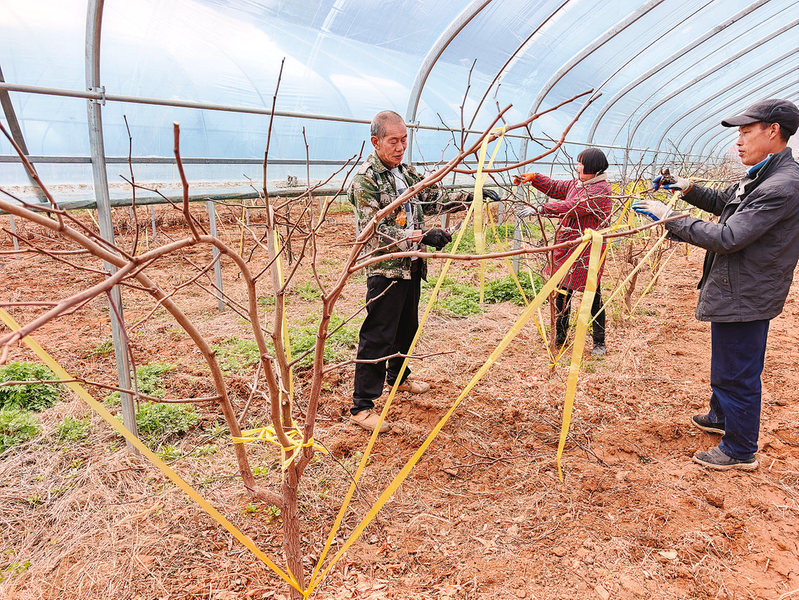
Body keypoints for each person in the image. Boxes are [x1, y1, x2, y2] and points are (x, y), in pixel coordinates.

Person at [633, 98, 799, 471]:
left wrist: (669, 217)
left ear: (773, 131)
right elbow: (726, 201)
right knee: (729, 363)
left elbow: (728, 237)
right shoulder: (763, 173)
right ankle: (722, 417)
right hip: (743, 285)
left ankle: (740, 449)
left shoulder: (783, 185)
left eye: (746, 132)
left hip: (748, 292)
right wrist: (687, 187)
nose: (738, 142)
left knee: (736, 371)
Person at [348, 110, 500, 433]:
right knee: (378, 334)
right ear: (375, 142)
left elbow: (433, 197)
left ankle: (398, 377)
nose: (400, 147)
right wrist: (421, 236)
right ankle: (362, 405)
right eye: (393, 141)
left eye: (404, 140)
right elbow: (375, 230)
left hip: (412, 265)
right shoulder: (365, 180)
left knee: (407, 327)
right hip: (387, 269)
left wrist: (472, 195)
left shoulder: (405, 173)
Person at [514, 148, 613, 355]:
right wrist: (534, 178)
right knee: (562, 291)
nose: (577, 167)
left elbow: (573, 206)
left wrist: (541, 209)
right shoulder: (578, 183)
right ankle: (560, 336)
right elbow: (556, 187)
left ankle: (599, 342)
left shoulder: (600, 190)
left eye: (581, 163)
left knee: (592, 295)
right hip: (568, 245)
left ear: (592, 166)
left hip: (588, 250)